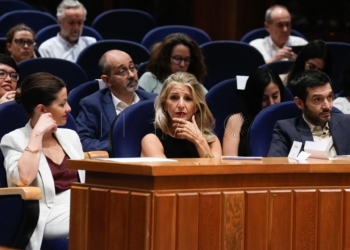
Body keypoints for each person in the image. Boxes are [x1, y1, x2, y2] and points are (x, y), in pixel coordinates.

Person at [0, 72, 85, 250]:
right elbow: (25, 178)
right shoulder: (13, 140)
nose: (69, 108)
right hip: (46, 213)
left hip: (80, 204)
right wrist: (37, 134)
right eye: (62, 104)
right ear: (42, 110)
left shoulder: (70, 136)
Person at [76, 50, 156, 153]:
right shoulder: (92, 104)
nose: (131, 75)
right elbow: (82, 141)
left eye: (132, 68)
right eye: (122, 71)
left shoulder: (153, 102)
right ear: (107, 80)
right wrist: (123, 146)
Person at [268, 70, 350, 157]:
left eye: (329, 97)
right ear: (300, 103)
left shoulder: (347, 124)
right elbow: (274, 165)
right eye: (317, 99)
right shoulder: (285, 130)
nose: (327, 106)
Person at [141, 72, 221, 158]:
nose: (181, 105)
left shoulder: (211, 141)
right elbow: (167, 171)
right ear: (164, 105)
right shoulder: (151, 141)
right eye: (174, 98)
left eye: (188, 99)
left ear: (196, 107)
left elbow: (215, 171)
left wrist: (200, 141)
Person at [222, 67, 285, 156]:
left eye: (275, 96)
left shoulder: (289, 119)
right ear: (253, 98)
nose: (271, 103)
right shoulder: (236, 121)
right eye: (264, 98)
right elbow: (229, 163)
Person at [138, 33, 208, 94]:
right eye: (177, 59)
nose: (182, 64)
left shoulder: (195, 85)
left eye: (187, 60)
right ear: (165, 58)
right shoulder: (149, 79)